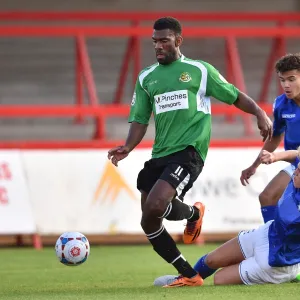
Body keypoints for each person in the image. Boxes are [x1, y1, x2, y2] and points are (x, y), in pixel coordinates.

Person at [108, 16, 272, 287]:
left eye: (164, 40)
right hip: (160, 153)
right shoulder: (147, 77)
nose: (158, 46)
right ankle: (190, 271)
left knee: (157, 204)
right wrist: (128, 146)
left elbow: (233, 94)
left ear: (178, 40)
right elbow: (139, 118)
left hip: (190, 151)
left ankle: (192, 226)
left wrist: (258, 111)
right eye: (154, 41)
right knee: (149, 220)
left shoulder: (199, 70)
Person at [154, 147, 300, 287]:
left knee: (220, 278)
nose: (295, 171)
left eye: (299, 171)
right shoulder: (296, 177)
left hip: (276, 262)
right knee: (210, 260)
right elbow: (297, 154)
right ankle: (187, 278)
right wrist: (274, 157)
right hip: (267, 234)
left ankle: (289, 274)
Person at [240, 53, 300, 224]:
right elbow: (275, 138)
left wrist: (276, 157)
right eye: (282, 80)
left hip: (296, 159)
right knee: (267, 197)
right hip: (296, 163)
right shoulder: (281, 104)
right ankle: (273, 244)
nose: (286, 85)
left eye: (291, 79)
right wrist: (254, 165)